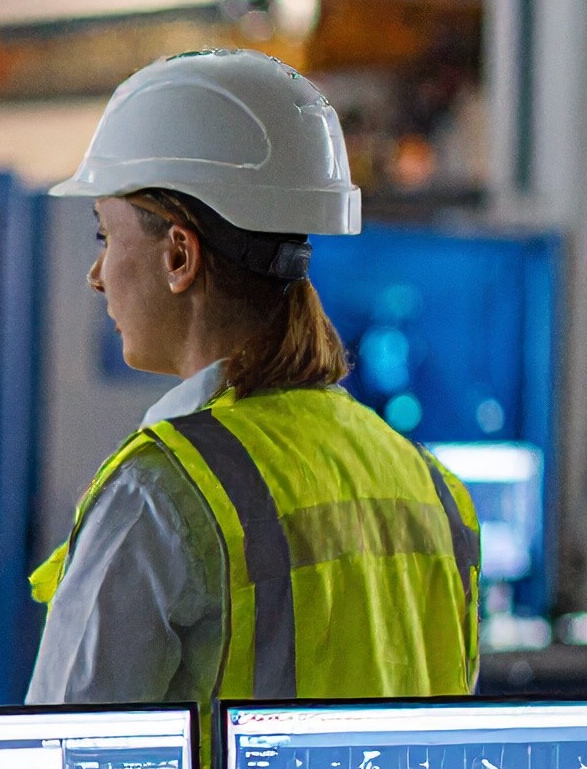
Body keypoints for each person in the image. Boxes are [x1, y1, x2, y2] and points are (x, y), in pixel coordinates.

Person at [27, 49, 480, 717]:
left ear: (179, 255)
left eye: (105, 235)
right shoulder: (430, 487)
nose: (97, 274)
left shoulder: (159, 495)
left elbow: (69, 765)